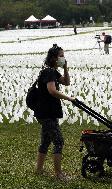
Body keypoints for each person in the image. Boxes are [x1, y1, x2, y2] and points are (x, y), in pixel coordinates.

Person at [34, 44, 75, 181]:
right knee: (58, 141)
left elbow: (66, 82)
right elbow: (52, 90)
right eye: (61, 56)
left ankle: (38, 170)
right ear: (53, 58)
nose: (63, 58)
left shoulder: (51, 71)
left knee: (45, 141)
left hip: (46, 112)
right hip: (47, 112)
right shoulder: (49, 72)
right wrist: (68, 98)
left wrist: (65, 68)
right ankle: (59, 174)